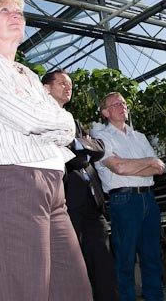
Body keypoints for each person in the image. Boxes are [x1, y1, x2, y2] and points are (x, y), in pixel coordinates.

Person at [0, 0, 91, 301]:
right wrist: (60, 122)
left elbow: (62, 127)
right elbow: (30, 119)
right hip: (12, 182)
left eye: (18, 11)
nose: (16, 15)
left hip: (54, 187)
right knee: (26, 293)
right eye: (4, 11)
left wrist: (59, 122)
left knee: (76, 291)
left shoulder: (29, 74)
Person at [42, 69, 118, 301]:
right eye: (62, 83)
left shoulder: (72, 120)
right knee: (73, 266)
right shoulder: (41, 118)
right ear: (46, 88)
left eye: (70, 84)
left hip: (92, 202)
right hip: (65, 203)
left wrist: (77, 146)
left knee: (103, 263)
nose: (68, 88)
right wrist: (82, 147)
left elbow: (99, 148)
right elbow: (71, 157)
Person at [91, 92, 165, 301]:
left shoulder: (139, 136)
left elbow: (159, 168)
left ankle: (155, 297)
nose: (122, 106)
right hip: (124, 201)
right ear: (105, 112)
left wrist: (132, 165)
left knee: (153, 256)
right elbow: (119, 168)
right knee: (125, 258)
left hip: (148, 198)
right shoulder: (101, 138)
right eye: (115, 104)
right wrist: (148, 161)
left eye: (123, 103)